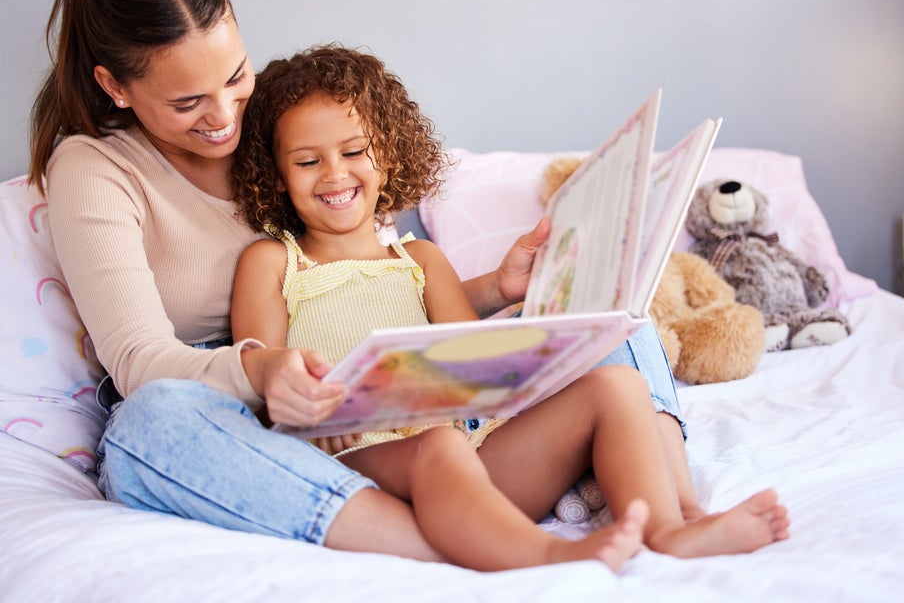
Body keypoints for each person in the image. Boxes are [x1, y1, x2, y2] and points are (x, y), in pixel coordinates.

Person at [24, 0, 744, 563]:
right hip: (257, 404)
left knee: (615, 313)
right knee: (152, 427)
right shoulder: (97, 169)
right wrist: (264, 368)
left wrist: (503, 288)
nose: (225, 117)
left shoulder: (281, 127)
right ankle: (476, 546)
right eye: (189, 105)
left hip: (422, 400)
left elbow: (395, 293)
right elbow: (140, 363)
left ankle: (672, 513)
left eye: (236, 77)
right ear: (114, 86)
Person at [229, 44, 790, 563]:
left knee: (617, 384)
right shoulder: (274, 262)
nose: (334, 174)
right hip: (354, 466)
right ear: (276, 176)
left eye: (353, 151)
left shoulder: (421, 259)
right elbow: (259, 381)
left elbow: (473, 372)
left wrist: (553, 330)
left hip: (471, 456)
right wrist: (311, 410)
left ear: (388, 158)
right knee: (438, 447)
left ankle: (667, 531)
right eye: (307, 162)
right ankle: (545, 555)